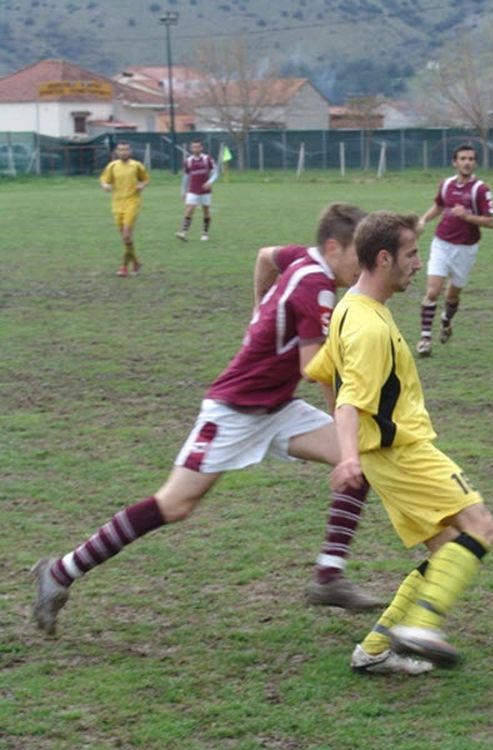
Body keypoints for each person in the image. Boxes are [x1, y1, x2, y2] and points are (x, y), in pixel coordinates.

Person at [30, 203, 384, 639]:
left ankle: (329, 577)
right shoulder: (318, 288)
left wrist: (258, 312)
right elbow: (317, 367)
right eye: (358, 254)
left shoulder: (302, 257)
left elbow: (263, 256)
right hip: (234, 410)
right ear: (333, 246)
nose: (364, 264)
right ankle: (61, 572)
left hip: (276, 408)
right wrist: (341, 418)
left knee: (361, 456)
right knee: (174, 504)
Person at [305, 211, 493, 676]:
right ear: (385, 257)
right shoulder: (369, 327)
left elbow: (324, 373)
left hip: (384, 457)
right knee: (481, 528)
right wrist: (350, 454)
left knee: (446, 546)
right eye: (411, 254)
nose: (418, 262)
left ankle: (375, 649)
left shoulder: (350, 307)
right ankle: (423, 627)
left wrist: (358, 450)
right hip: (403, 453)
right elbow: (351, 399)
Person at [415, 144, 493, 358]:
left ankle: (446, 321)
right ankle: (425, 338)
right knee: (432, 291)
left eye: (471, 159)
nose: (467, 162)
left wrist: (467, 216)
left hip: (466, 249)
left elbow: (491, 222)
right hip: (441, 243)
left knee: (452, 296)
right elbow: (439, 206)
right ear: (455, 162)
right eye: (462, 158)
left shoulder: (480, 189)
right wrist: (423, 220)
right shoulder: (446, 185)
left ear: (475, 163)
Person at [99, 141, 149, 278]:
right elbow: (104, 180)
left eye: (126, 149)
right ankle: (136, 262)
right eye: (121, 150)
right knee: (125, 238)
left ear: (130, 151)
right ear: (117, 152)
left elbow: (146, 180)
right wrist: (105, 186)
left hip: (132, 202)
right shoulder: (112, 166)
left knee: (127, 235)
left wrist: (142, 185)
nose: (124, 152)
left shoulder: (137, 165)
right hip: (116, 204)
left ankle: (123, 267)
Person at [176, 138, 218, 242]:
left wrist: (210, 182)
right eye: (194, 147)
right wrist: (183, 191)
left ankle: (205, 233)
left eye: (198, 147)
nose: (196, 149)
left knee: (206, 211)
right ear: (191, 148)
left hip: (205, 190)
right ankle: (183, 232)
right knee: (190, 209)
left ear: (201, 148)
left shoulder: (207, 159)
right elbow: (185, 177)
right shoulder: (188, 161)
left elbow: (216, 173)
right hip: (192, 190)